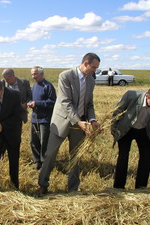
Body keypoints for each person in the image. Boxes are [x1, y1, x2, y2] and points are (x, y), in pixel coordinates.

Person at [37, 53, 101, 195]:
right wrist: (78, 121)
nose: (95, 70)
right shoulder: (66, 76)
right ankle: (43, 184)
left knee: (75, 157)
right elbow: (65, 102)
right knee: (50, 154)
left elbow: (89, 104)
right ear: (85, 63)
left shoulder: (91, 81)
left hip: (80, 124)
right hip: (62, 121)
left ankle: (72, 189)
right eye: (93, 67)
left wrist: (92, 120)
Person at [111, 86, 150, 189]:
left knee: (147, 155)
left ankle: (141, 187)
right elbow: (116, 113)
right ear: (147, 96)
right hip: (126, 129)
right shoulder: (131, 96)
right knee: (123, 156)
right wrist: (114, 131)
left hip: (144, 130)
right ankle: (118, 187)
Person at [27, 66, 56, 170]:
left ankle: (44, 163)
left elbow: (52, 102)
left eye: (35, 74)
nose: (33, 76)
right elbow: (32, 99)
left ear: (41, 74)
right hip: (35, 118)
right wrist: (30, 103)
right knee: (33, 141)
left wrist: (37, 103)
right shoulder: (34, 86)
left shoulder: (48, 86)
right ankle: (37, 162)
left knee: (44, 141)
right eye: (32, 74)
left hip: (45, 119)